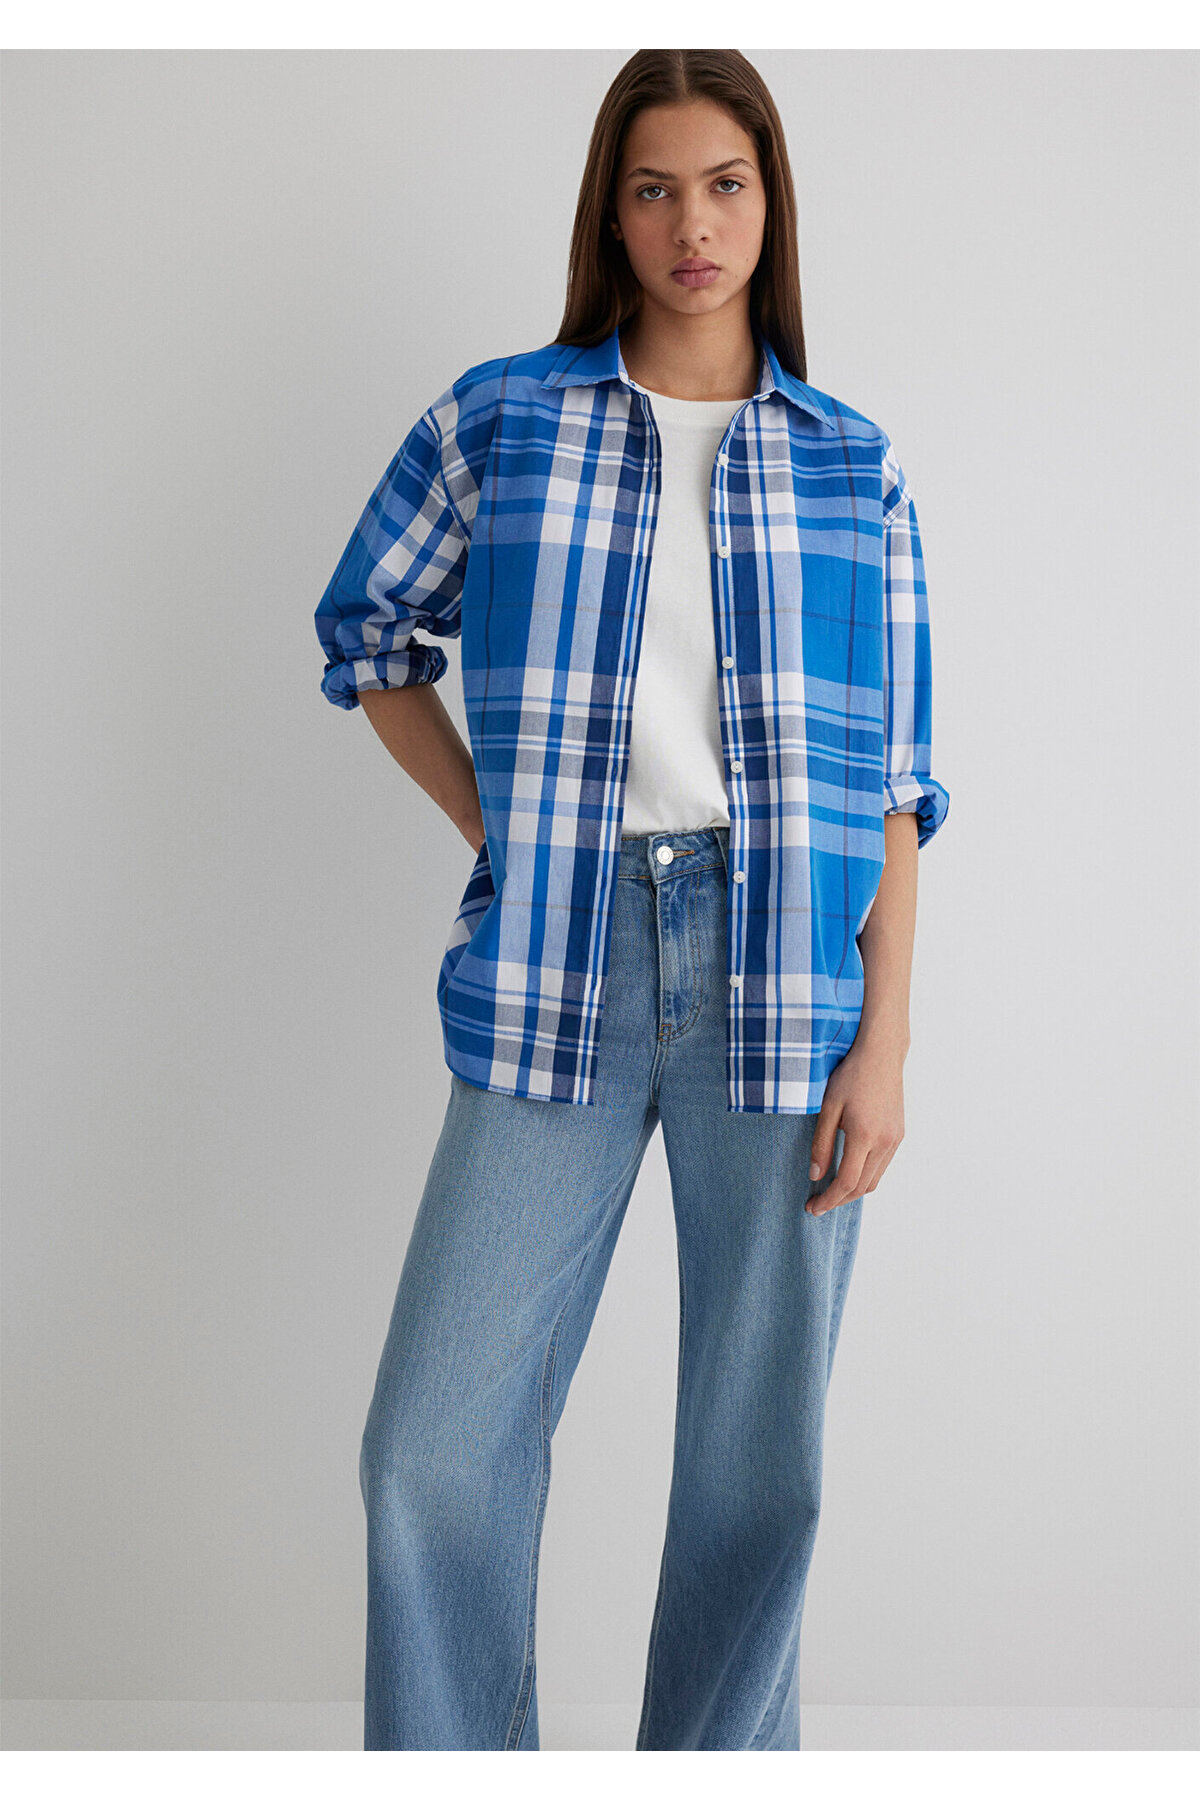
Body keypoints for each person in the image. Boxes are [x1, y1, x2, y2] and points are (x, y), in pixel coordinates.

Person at [313, 47, 950, 1753]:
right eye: (655, 188)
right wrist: (501, 823)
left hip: (786, 971)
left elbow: (897, 784)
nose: (693, 225)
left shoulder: (852, 465)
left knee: (761, 1470)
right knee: (429, 1446)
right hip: (558, 962)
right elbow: (366, 637)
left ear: (772, 207)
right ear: (611, 210)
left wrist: (887, 1044)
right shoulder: (501, 421)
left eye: (726, 186)